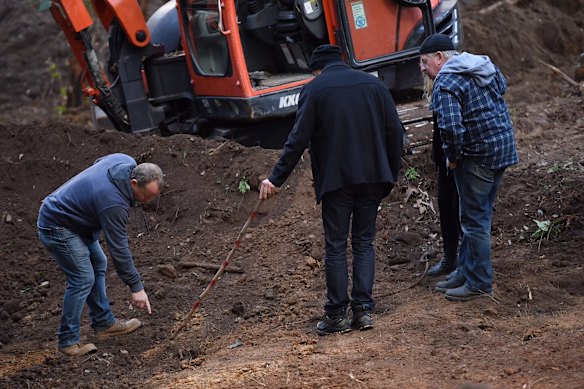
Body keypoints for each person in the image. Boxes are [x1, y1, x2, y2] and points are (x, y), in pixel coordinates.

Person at [259, 45, 404, 335]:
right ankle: (363, 312)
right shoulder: (374, 85)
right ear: (342, 62)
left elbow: (297, 140)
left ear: (317, 69)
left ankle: (336, 315)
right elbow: (396, 133)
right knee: (364, 242)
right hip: (374, 177)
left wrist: (275, 179)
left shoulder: (315, 90)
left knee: (336, 246)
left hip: (337, 181)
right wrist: (390, 173)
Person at [418, 34, 519, 301]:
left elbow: (451, 128)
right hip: (503, 148)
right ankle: (465, 271)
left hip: (477, 156)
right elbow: (502, 86)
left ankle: (480, 283)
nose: (422, 68)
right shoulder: (482, 66)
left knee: (475, 221)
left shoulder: (447, 81)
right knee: (472, 215)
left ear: (439, 57)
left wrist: (452, 156)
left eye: (424, 61)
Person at [37, 153, 163, 356]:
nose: (146, 202)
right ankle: (68, 341)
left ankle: (104, 324)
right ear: (133, 182)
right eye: (145, 197)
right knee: (82, 278)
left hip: (74, 220)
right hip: (57, 226)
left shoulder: (124, 160)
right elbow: (119, 248)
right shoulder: (114, 203)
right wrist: (136, 287)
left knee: (98, 262)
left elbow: (94, 168)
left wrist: (67, 194)